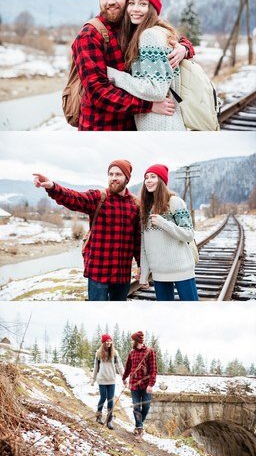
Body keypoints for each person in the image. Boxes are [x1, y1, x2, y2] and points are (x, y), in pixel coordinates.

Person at [69, 0, 192, 131]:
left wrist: (184, 48)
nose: (110, 1)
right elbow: (97, 92)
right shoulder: (90, 35)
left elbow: (169, 38)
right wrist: (148, 105)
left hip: (133, 125)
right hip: (101, 126)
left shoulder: (135, 27)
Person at [33, 159, 140, 302]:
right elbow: (74, 198)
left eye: (118, 174)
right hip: (98, 273)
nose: (114, 178)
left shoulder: (135, 204)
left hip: (122, 275)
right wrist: (52, 187)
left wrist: (141, 265)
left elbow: (137, 240)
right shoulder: (99, 197)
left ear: (127, 178)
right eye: (111, 174)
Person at [107, 0, 192, 129]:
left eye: (142, 4)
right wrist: (185, 48)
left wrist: (113, 75)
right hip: (167, 122)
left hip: (159, 123)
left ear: (152, 8)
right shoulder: (161, 31)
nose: (135, 9)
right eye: (131, 3)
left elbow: (156, 90)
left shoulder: (149, 35)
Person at [139, 164, 199, 301]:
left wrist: (164, 223)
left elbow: (188, 234)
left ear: (161, 181)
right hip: (159, 273)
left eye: (153, 177)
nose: (148, 180)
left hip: (182, 270)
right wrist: (144, 273)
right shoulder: (145, 208)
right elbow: (144, 245)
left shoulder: (175, 202)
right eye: (146, 178)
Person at [122, 328, 158, 435]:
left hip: (146, 385)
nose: (131, 342)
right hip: (134, 384)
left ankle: (139, 423)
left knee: (146, 406)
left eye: (132, 340)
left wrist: (151, 384)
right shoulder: (131, 353)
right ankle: (139, 427)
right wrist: (124, 378)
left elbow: (154, 370)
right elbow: (128, 367)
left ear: (137, 341)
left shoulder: (149, 352)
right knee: (136, 406)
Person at [92, 331, 124, 426]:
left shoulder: (114, 353)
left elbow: (119, 366)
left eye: (110, 341)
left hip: (111, 379)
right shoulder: (98, 353)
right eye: (107, 341)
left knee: (110, 399)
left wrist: (124, 377)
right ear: (103, 342)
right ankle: (98, 416)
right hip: (101, 380)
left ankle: (109, 420)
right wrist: (93, 379)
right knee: (103, 397)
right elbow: (96, 367)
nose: (109, 342)